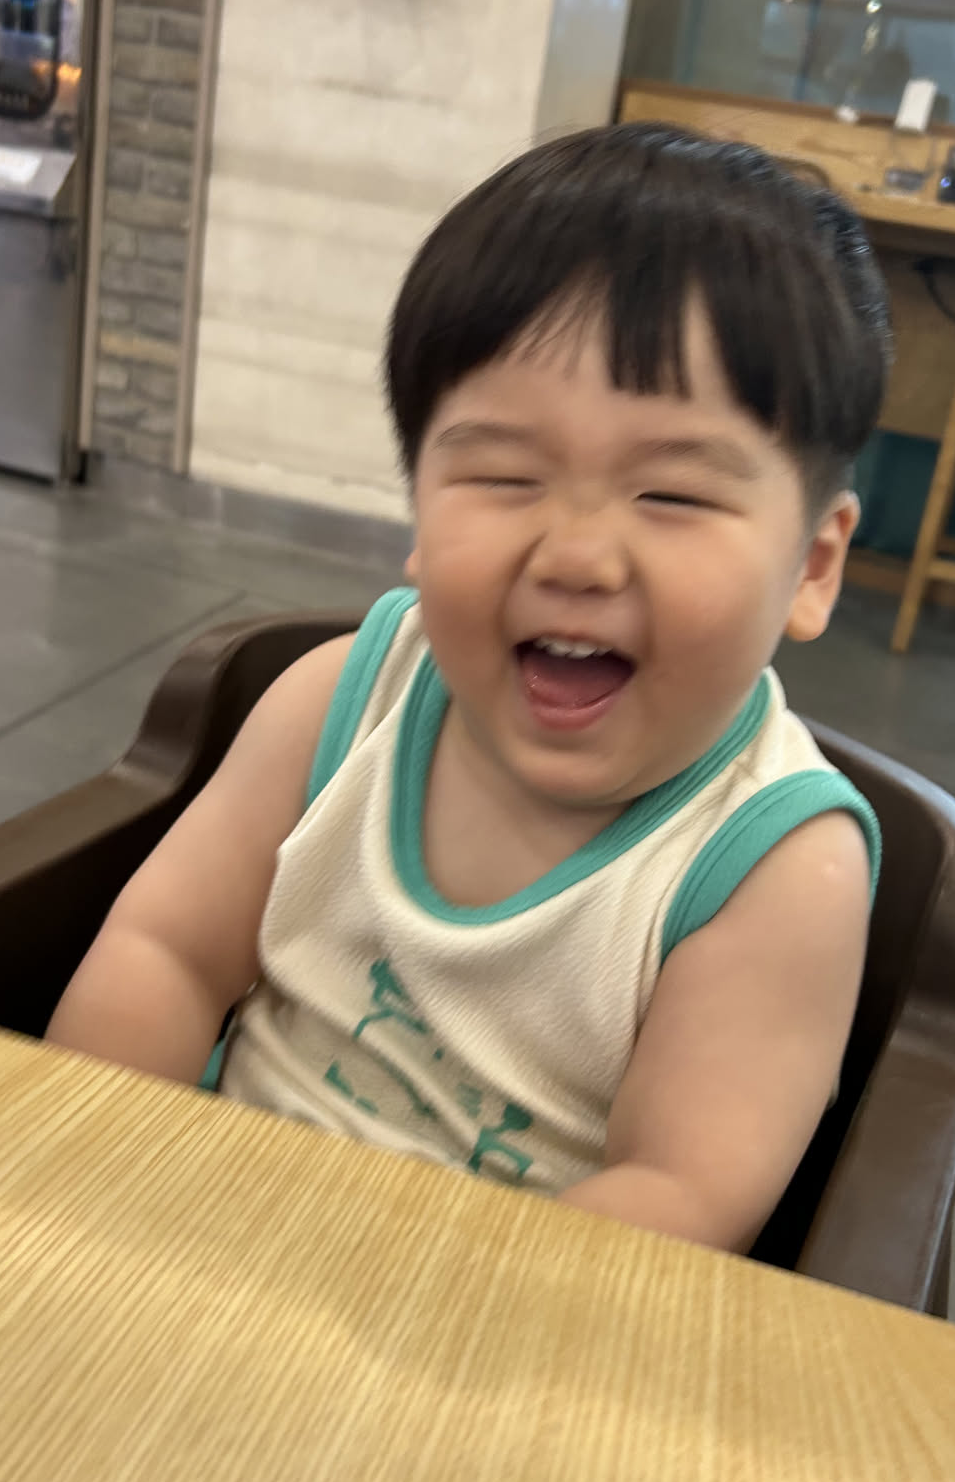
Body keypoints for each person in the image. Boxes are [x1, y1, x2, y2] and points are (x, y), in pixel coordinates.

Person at [47, 123, 892, 1254]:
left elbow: (676, 1202)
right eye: (503, 475)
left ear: (813, 566)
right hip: (198, 1228)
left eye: (673, 496)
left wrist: (400, 1311)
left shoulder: (776, 872)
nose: (577, 555)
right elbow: (166, 953)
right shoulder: (342, 704)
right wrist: (83, 1183)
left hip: (496, 1319)